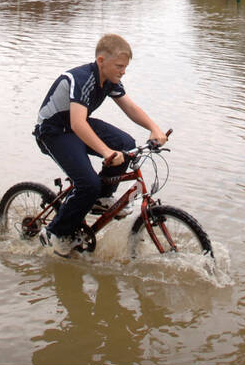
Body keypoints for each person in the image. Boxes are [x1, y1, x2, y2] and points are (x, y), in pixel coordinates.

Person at [32, 33, 167, 256]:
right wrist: (106, 152)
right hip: (54, 131)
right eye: (119, 66)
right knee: (88, 183)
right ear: (101, 61)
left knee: (126, 144)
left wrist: (154, 128)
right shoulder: (82, 78)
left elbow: (130, 107)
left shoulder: (110, 80)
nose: (123, 71)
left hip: (77, 126)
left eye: (125, 67)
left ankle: (102, 198)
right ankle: (54, 232)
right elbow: (77, 123)